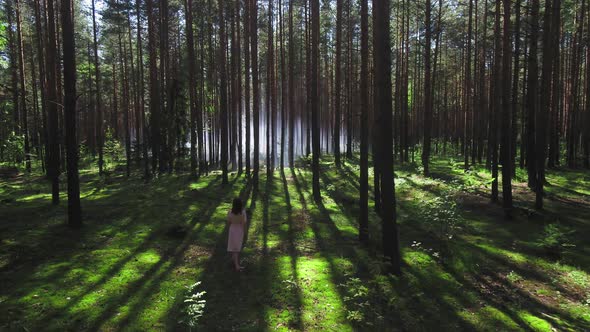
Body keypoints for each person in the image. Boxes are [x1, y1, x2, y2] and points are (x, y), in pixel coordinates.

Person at [227, 197, 247, 271]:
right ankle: (237, 265)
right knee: (236, 248)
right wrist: (245, 232)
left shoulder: (230, 212)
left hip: (232, 229)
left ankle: (233, 259)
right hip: (239, 230)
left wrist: (229, 229)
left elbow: (229, 222)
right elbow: (244, 223)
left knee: (234, 246)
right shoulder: (243, 212)